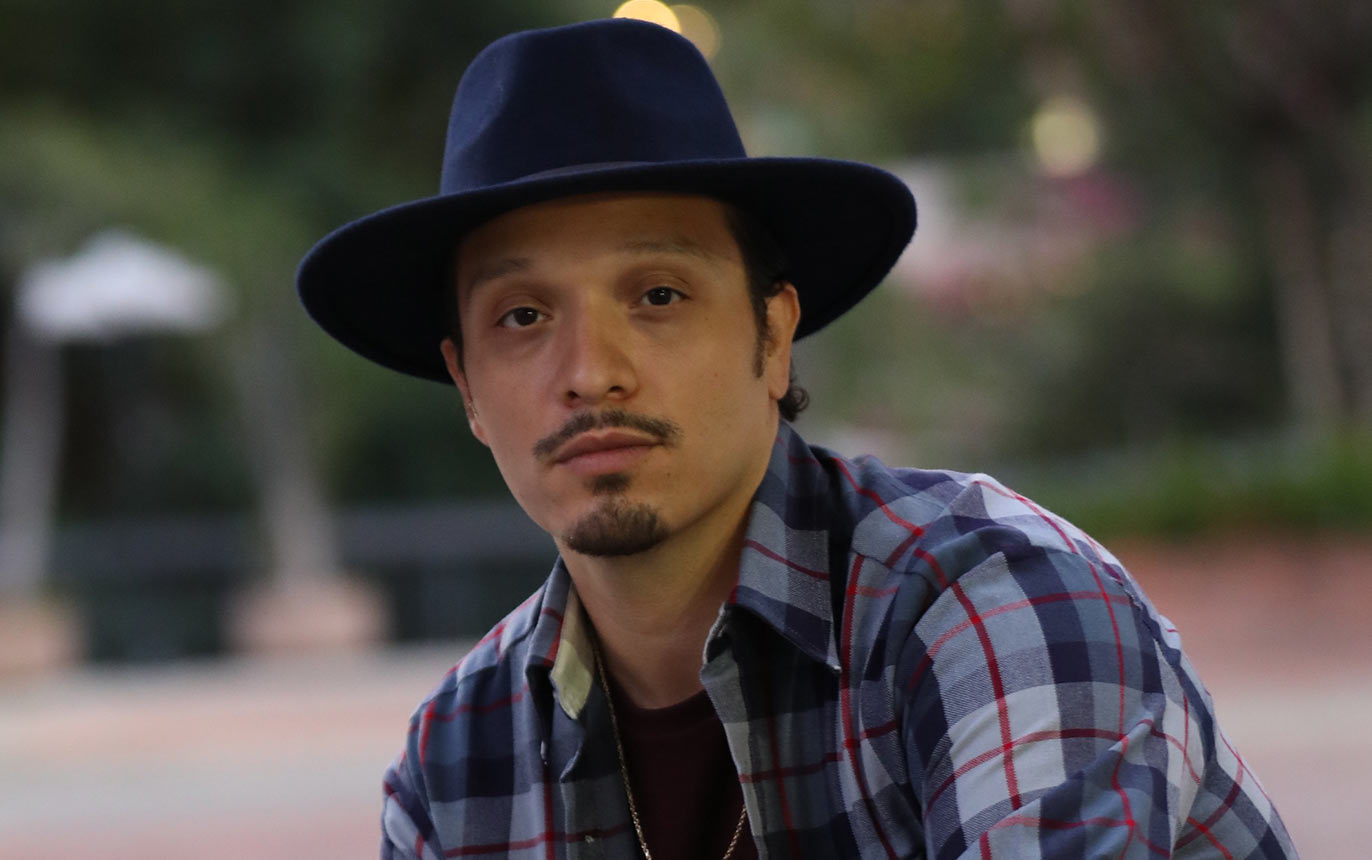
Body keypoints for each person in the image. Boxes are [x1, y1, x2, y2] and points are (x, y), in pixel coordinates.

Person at [298, 18, 1296, 860]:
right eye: (521, 316)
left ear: (773, 336)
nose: (590, 371)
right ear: (468, 387)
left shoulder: (989, 600)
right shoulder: (459, 760)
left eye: (657, 295)